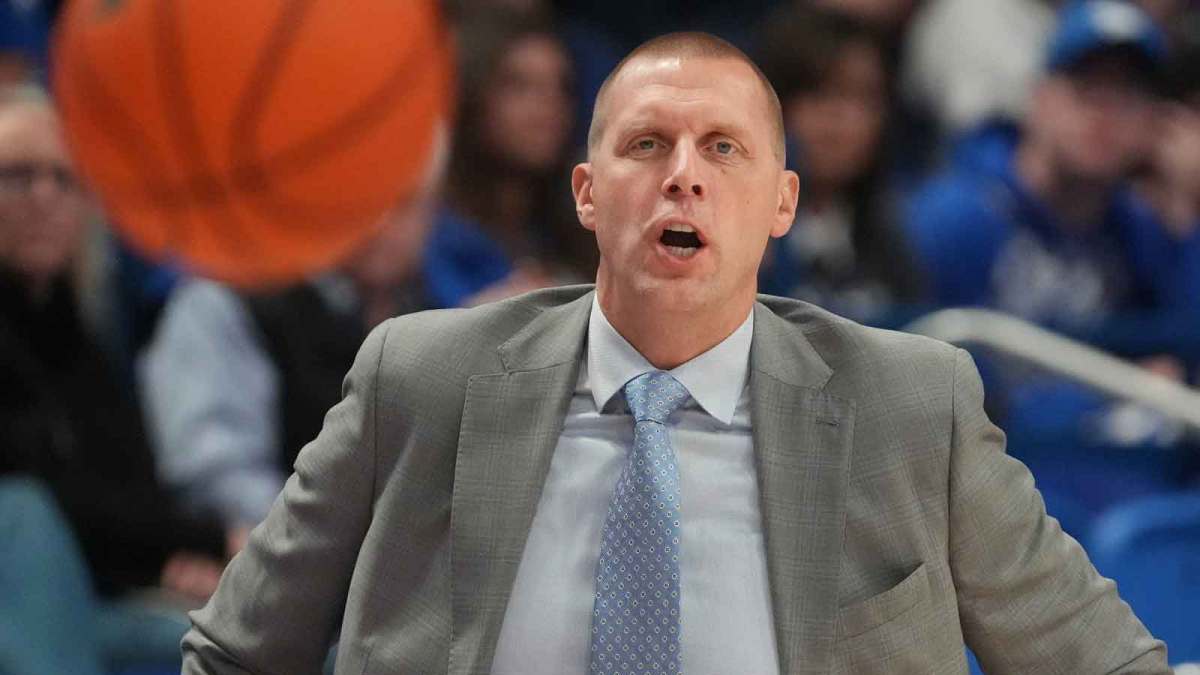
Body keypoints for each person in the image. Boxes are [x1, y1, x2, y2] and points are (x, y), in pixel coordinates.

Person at [183, 32, 1166, 674]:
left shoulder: (911, 407)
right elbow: (233, 652)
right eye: (648, 145)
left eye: (724, 149)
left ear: (783, 203)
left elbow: (1104, 664)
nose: (684, 178)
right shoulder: (419, 379)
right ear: (586, 191)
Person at [904, 0, 1200, 513]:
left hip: (1115, 486)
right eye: (1086, 91)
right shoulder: (956, 217)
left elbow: (1188, 350)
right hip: (988, 493)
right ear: (1039, 98)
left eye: (1128, 97)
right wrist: (1119, 394)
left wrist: (1188, 215)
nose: (1105, 116)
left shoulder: (1139, 225)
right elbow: (930, 395)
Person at [0, 82, 233, 671]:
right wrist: (204, 537)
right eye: (18, 176)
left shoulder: (83, 334)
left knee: (279, 652)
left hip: (98, 603)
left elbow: (127, 491)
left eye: (65, 178)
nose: (45, 196)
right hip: (21, 607)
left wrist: (173, 559)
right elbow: (48, 501)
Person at [139, 154, 443, 531]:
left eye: (403, 202)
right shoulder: (228, 300)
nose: (381, 222)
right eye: (367, 197)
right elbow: (212, 471)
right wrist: (339, 536)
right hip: (271, 560)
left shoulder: (439, 321)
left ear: (433, 212)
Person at [755, 5, 925, 326]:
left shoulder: (895, 242)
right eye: (821, 95)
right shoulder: (738, 231)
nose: (841, 121)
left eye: (863, 99)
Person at [423, 8, 590, 308]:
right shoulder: (425, 232)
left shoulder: (575, 226)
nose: (548, 105)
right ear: (472, 98)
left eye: (562, 87)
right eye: (520, 85)